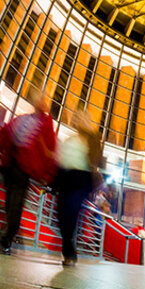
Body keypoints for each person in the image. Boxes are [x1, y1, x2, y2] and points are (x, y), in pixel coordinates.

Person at [0, 90, 57, 255]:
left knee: (14, 206)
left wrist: (47, 176)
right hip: (11, 167)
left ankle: (5, 241)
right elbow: (7, 133)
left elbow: (50, 151)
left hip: (23, 171)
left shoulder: (45, 124)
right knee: (11, 205)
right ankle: (9, 238)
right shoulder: (26, 120)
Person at [55, 110, 104, 266]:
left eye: (81, 118)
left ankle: (69, 253)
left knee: (71, 211)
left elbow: (98, 159)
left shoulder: (93, 138)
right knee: (61, 213)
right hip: (66, 177)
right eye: (77, 118)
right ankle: (69, 249)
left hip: (82, 178)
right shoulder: (71, 139)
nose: (78, 120)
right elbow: (61, 159)